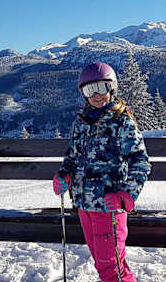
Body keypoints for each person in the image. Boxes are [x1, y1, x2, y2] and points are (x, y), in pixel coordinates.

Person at [53, 62, 151, 282]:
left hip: (109, 206)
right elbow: (72, 156)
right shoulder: (81, 123)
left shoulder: (121, 122)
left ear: (112, 87)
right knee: (106, 264)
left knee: (110, 268)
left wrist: (126, 195)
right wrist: (64, 174)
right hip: (84, 205)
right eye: (90, 90)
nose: (97, 95)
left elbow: (140, 161)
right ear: (83, 94)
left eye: (102, 87)